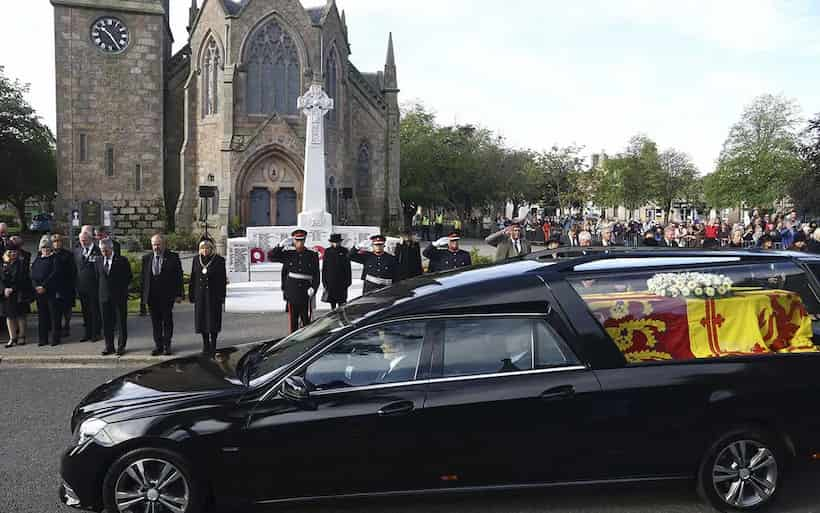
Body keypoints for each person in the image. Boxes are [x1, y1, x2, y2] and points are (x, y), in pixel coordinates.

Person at [268, 229, 320, 333]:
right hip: (292, 290)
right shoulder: (288, 253)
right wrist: (280, 246)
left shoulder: (312, 254)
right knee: (293, 321)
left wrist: (314, 288)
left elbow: (316, 275)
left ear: (304, 241)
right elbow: (271, 256)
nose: (299, 243)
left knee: (306, 320)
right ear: (294, 241)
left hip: (306, 291)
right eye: (297, 240)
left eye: (302, 240)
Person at [141, 234, 184, 356]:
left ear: (164, 244)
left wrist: (179, 294)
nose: (156, 247)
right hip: (152, 296)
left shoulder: (173, 257)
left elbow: (178, 276)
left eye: (158, 244)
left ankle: (167, 345)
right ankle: (158, 345)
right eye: (154, 244)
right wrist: (143, 299)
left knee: (167, 321)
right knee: (155, 322)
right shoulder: (146, 258)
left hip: (167, 295)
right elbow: (143, 280)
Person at [189, 237, 227, 356]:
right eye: (202, 248)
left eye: (207, 248)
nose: (205, 250)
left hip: (213, 295)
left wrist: (222, 296)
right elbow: (193, 278)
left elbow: (222, 279)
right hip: (200, 296)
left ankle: (213, 344)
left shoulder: (219, 260)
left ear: (211, 249)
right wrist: (191, 294)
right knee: (202, 321)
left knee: (213, 321)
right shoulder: (196, 260)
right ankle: (205, 344)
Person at [30, 236, 70, 346]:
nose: (45, 250)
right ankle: (42, 340)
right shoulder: (38, 259)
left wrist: (44, 286)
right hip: (39, 293)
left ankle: (55, 339)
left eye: (47, 247)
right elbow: (32, 274)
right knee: (42, 317)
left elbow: (55, 274)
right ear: (40, 248)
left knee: (54, 317)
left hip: (51, 292)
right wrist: (36, 287)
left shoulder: (55, 259)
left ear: (51, 248)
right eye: (43, 247)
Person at [97, 238, 132, 356]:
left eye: (106, 250)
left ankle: (121, 346)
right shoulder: (98, 261)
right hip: (104, 297)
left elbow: (128, 277)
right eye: (102, 250)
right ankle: (109, 346)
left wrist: (120, 289)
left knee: (121, 322)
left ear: (111, 248)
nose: (104, 253)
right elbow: (98, 277)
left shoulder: (122, 261)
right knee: (106, 323)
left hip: (119, 297)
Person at [74, 231, 102, 342]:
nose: (82, 242)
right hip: (82, 287)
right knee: (85, 312)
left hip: (94, 287)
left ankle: (96, 333)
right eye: (81, 240)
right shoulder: (77, 251)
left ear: (90, 239)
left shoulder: (98, 251)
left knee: (95, 310)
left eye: (84, 240)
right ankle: (88, 333)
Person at [2, 245, 32, 347]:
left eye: (14, 252)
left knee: (20, 316)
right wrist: (4, 289)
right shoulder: (4, 264)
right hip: (6, 294)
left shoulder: (21, 264)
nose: (12, 254)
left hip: (19, 293)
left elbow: (22, 279)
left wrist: (12, 289)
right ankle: (12, 338)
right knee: (9, 317)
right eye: (10, 252)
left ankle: (22, 337)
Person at [51, 234, 76, 338]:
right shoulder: (49, 253)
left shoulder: (68, 254)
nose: (57, 243)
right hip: (53, 286)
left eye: (59, 241)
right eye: (55, 241)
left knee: (67, 308)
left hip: (66, 285)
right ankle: (57, 327)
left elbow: (72, 270)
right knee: (55, 309)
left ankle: (66, 325)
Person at [322, 234, 352, 310]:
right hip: (330, 281)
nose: (335, 244)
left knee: (342, 303)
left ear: (340, 242)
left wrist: (348, 281)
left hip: (342, 281)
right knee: (332, 303)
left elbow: (348, 267)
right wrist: (324, 281)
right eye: (333, 242)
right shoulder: (327, 251)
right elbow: (324, 267)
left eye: (337, 242)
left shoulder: (344, 251)